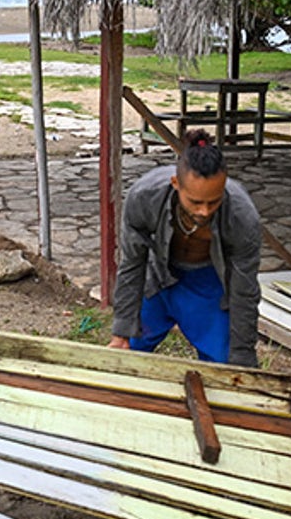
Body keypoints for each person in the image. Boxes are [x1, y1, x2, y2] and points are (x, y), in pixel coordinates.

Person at [110, 130, 262, 366]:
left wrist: (242, 354)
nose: (204, 211)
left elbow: (245, 290)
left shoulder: (242, 217)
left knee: (224, 363)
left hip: (206, 282)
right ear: (176, 184)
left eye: (214, 201)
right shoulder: (144, 197)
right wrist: (121, 331)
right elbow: (132, 264)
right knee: (126, 355)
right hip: (158, 277)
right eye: (195, 202)